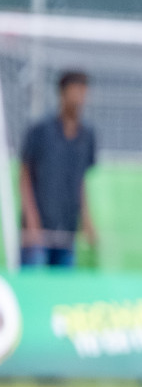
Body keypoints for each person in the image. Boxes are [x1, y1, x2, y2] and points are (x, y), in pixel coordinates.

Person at [18, 70, 97, 267]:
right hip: (39, 230)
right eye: (76, 90)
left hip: (67, 231)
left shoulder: (87, 135)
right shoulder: (40, 130)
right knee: (34, 287)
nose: (81, 96)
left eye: (84, 90)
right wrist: (31, 220)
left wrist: (86, 220)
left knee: (63, 289)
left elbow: (81, 182)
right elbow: (25, 175)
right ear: (62, 93)